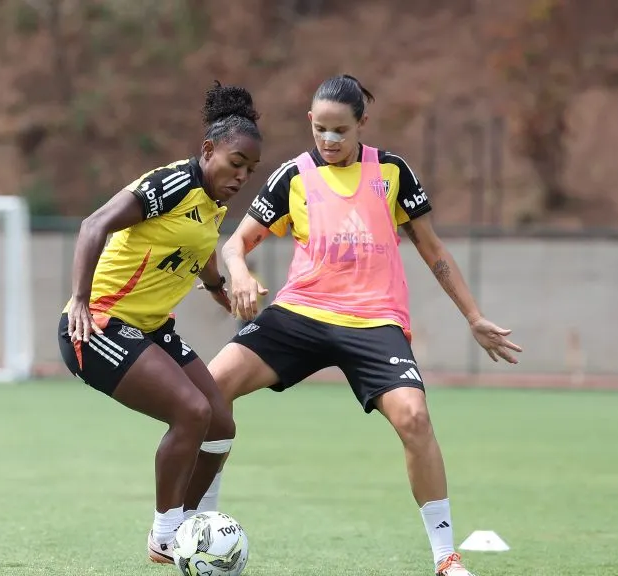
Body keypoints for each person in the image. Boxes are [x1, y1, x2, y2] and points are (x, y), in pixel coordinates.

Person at [189, 75, 522, 576]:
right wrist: (237, 272)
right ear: (310, 123)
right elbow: (236, 243)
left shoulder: (391, 171)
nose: (329, 141)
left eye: (341, 130)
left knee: (414, 418)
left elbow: (433, 249)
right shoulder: (293, 176)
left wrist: (473, 316)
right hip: (301, 312)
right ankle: (199, 522)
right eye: (320, 129)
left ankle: (446, 557)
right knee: (211, 391)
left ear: (362, 123)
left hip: (374, 321)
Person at [57, 81, 262, 564]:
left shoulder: (213, 201)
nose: (242, 177)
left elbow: (197, 247)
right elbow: (93, 225)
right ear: (208, 150)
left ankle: (199, 527)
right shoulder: (168, 184)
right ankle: (166, 536)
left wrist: (220, 288)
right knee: (191, 412)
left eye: (250, 170)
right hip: (99, 327)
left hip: (150, 328)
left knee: (220, 423)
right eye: (236, 163)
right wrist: (82, 302)